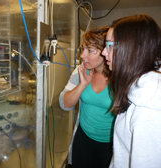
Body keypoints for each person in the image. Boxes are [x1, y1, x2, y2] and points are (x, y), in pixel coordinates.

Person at [102, 14, 161, 168]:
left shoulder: (148, 109)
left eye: (109, 45)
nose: (103, 52)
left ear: (131, 49)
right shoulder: (139, 89)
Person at [59, 27, 116, 168]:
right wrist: (83, 84)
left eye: (90, 50)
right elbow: (64, 104)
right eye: (83, 49)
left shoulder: (120, 78)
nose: (83, 55)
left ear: (105, 52)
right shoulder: (81, 71)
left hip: (111, 143)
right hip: (84, 138)